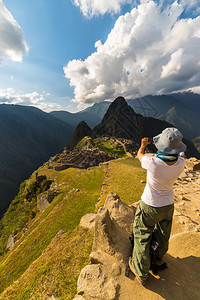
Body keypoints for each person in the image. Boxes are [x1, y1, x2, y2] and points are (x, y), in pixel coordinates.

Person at [129, 127, 186, 285]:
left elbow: (139, 155)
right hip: (168, 205)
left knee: (142, 233)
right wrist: (174, 147)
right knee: (163, 233)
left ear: (161, 146)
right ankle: (159, 256)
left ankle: (141, 272)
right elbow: (179, 153)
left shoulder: (152, 162)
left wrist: (143, 145)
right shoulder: (181, 162)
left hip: (150, 205)